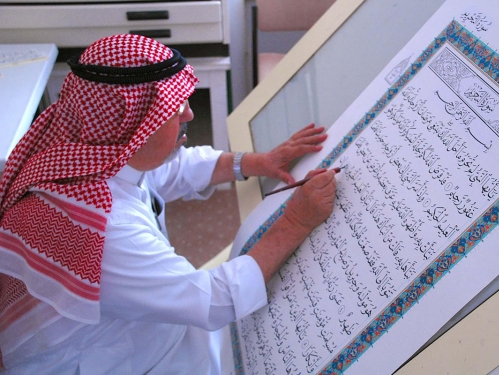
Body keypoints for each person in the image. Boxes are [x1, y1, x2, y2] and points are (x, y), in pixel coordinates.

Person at [0, 34, 337, 374]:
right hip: (90, 358)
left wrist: (254, 162)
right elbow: (213, 300)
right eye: (176, 108)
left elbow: (172, 169)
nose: (190, 113)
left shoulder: (85, 149)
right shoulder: (107, 233)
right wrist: (295, 222)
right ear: (134, 128)